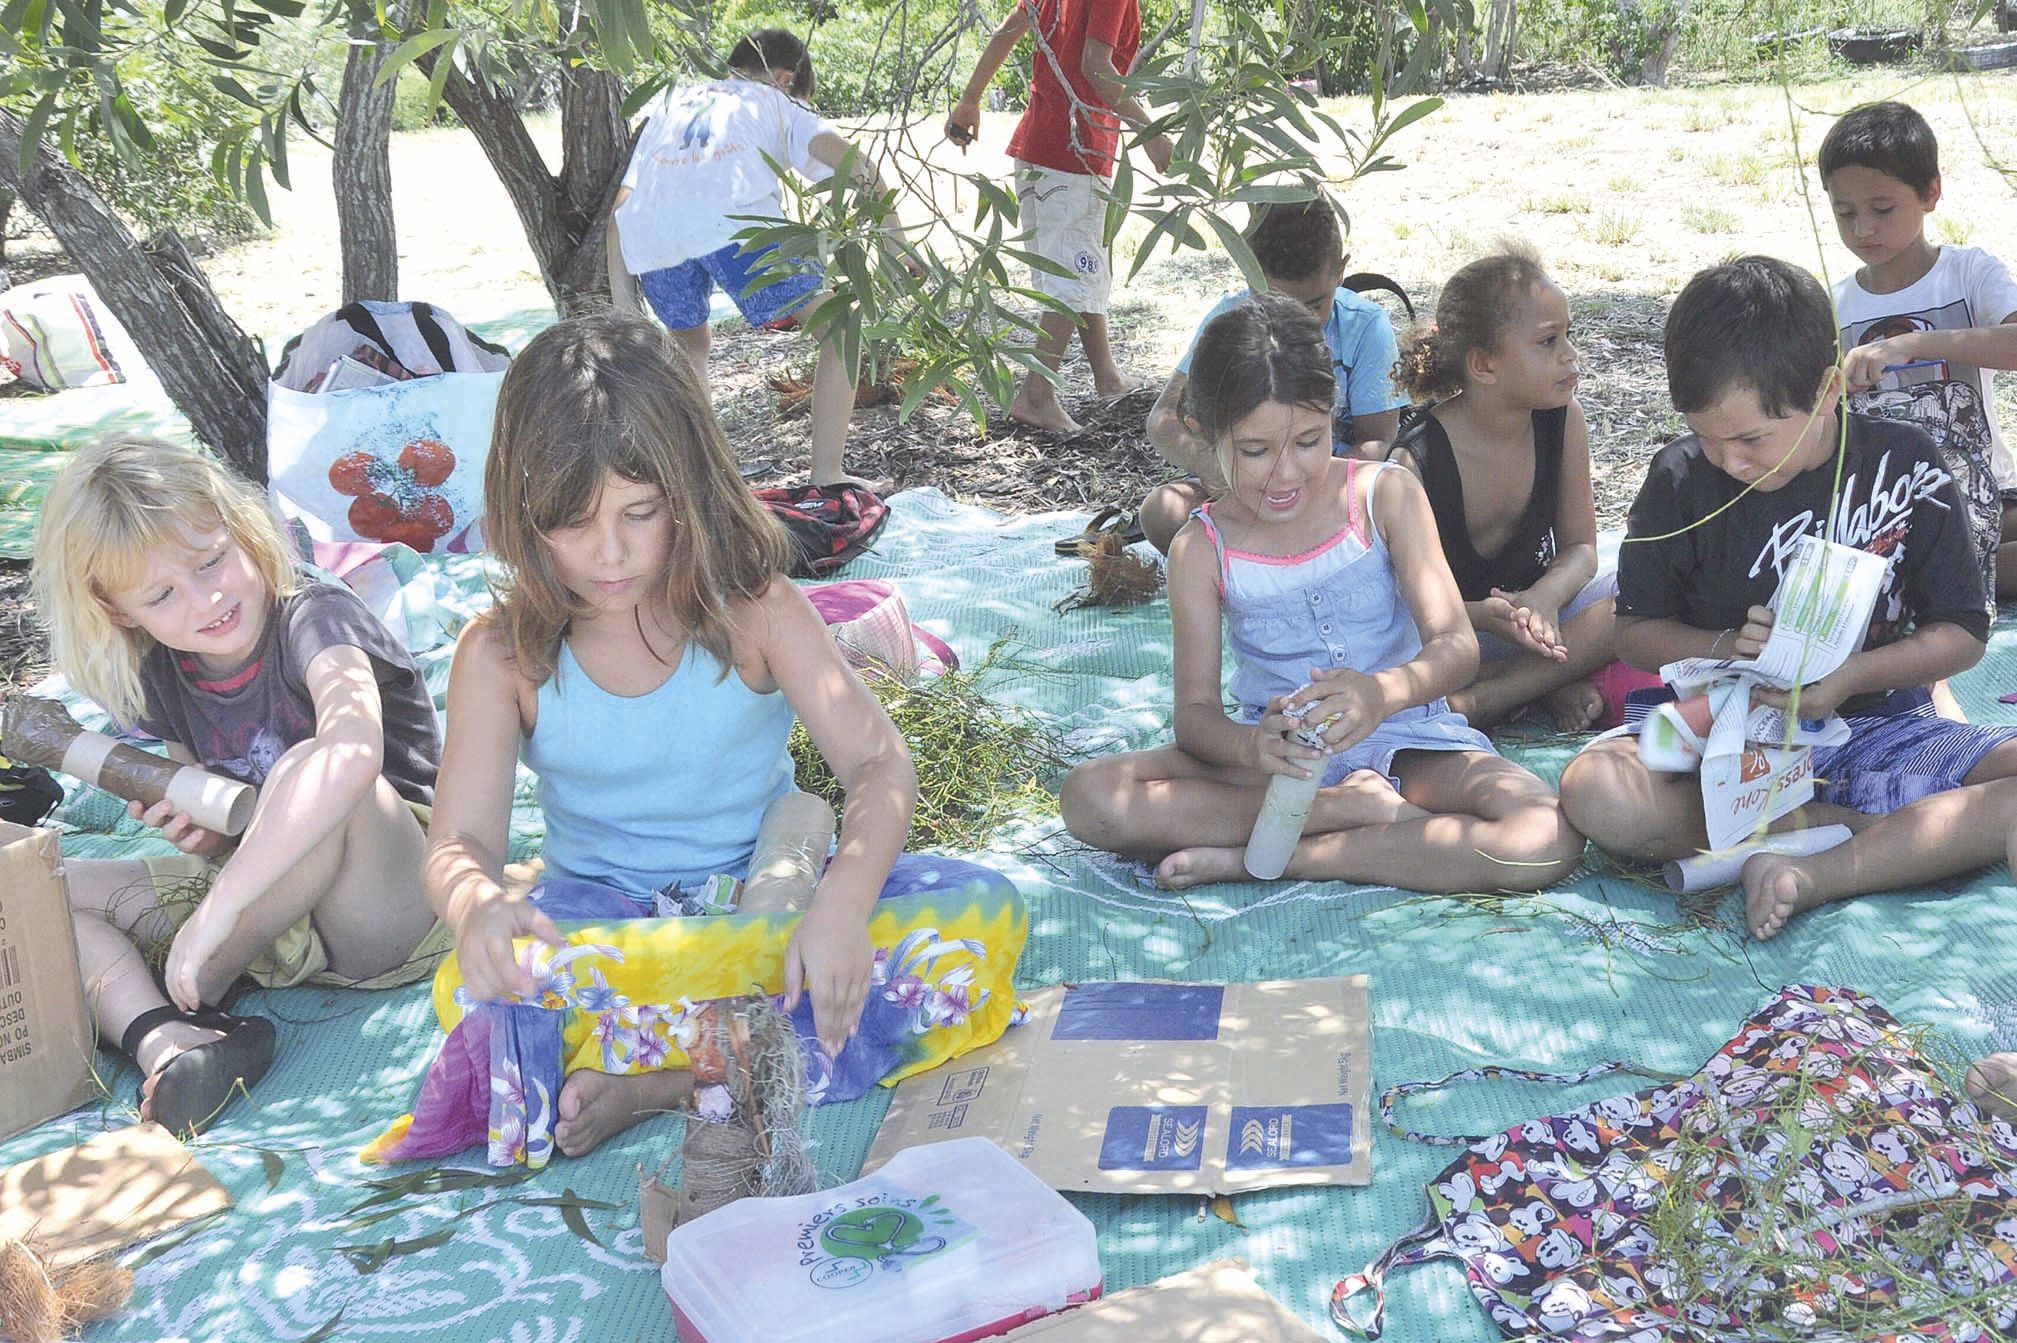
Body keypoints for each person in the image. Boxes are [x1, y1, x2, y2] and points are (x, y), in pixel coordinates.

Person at [423, 312, 1024, 1159]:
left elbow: (878, 760)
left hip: (768, 915)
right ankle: (732, 1060)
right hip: (609, 930)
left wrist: (844, 905)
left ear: (693, 493)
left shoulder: (758, 612)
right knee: (488, 992)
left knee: (979, 915)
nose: (608, 553)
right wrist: (477, 904)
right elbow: (460, 839)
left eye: (641, 512)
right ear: (521, 511)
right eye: (572, 521)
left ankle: (669, 1078)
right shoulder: (501, 654)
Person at [1058, 294, 1585, 893]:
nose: (1285, 474)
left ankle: (1282, 855)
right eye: (1254, 451)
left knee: (1544, 836)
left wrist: (1380, 694)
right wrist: (1254, 745)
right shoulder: (1201, 548)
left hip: (1408, 739)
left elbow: (1455, 647)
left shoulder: (1384, 495)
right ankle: (1340, 814)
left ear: (1332, 412)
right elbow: (1196, 718)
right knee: (1091, 798)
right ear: (1204, 436)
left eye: (1309, 441)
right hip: (1279, 762)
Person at [1557, 256, 2017, 941]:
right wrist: (1718, 646)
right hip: (1724, 731)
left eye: (1750, 439)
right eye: (1707, 438)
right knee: (1595, 790)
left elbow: (1963, 632)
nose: (1730, 462)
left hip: (1880, 722)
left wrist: (1853, 674)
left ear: (1828, 390)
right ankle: (1868, 835)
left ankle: (1820, 867)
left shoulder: (1904, 464)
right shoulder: (1680, 478)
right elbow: (1634, 632)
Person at [33, 438, 448, 1134]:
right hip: (273, 921)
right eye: (163, 593)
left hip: (392, 906)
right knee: (47, 890)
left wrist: (218, 911)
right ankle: (166, 1038)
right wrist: (208, 832)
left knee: (312, 766)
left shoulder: (314, 615)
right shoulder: (163, 670)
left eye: (211, 560)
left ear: (239, 526)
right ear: (119, 610)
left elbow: (351, 752)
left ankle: (200, 979)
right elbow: (229, 833)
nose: (208, 597)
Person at [608, 28, 899, 487]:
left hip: (650, 235)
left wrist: (624, 303)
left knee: (689, 346)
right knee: (841, 328)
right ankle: (827, 473)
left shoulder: (671, 103)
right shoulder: (776, 102)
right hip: (734, 223)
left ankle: (705, 480)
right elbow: (856, 166)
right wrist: (895, 240)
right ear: (785, 79)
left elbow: (623, 206)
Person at [1386, 246, 1637, 731]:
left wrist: (1543, 597)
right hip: (1456, 633)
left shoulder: (1563, 422)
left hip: (1538, 619)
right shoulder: (1415, 463)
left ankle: (1490, 698)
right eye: (1548, 342)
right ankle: (1540, 684)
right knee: (1409, 653)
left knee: (1636, 595)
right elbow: (1393, 602)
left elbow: (1582, 548)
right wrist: (1482, 615)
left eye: (1570, 335)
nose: (1571, 355)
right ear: (1484, 365)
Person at [946, 0, 1173, 435]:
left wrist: (970, 100)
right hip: (1075, 151)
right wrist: (1151, 132)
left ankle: (1106, 375)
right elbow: (1096, 65)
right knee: (1072, 275)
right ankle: (1036, 394)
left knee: (1084, 264)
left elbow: (1006, 31)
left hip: (1037, 149)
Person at [1822, 100, 2017, 601]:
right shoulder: (1836, 305)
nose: (1863, 229)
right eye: (1845, 213)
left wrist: (1908, 345)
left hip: (1987, 488)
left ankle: (1944, 580)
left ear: (1931, 193)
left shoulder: (1969, 273)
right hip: (1888, 507)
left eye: (1882, 209)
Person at [1138, 196, 1407, 553]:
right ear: (1247, 275)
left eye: (1315, 304)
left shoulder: (1366, 328)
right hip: (1244, 488)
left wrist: (1302, 490)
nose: (1295, 319)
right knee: (1163, 512)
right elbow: (1164, 418)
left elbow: (1377, 443)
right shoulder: (1230, 318)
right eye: (1271, 300)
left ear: (1340, 271)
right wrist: (1221, 473)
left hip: (1329, 492)